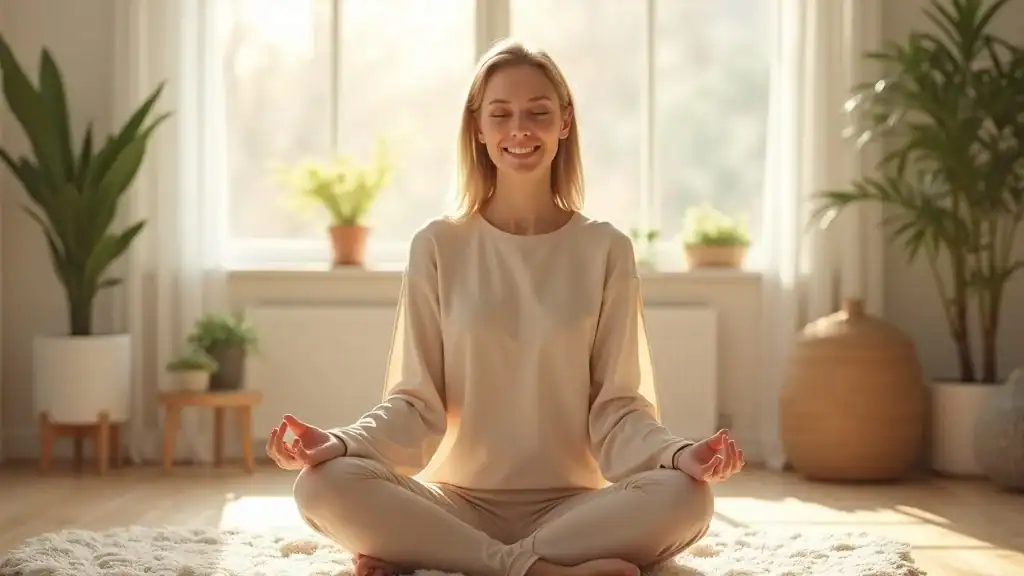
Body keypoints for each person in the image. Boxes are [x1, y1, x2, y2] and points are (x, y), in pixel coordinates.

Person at [266, 38, 746, 576]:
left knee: (687, 497)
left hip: (574, 510)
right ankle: (534, 570)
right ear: (478, 126)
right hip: (454, 505)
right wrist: (339, 442)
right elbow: (415, 404)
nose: (520, 129)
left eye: (538, 112)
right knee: (321, 486)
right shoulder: (437, 245)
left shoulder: (606, 248)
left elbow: (618, 409)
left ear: (564, 121)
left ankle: (451, 558)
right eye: (501, 114)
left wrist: (679, 455)